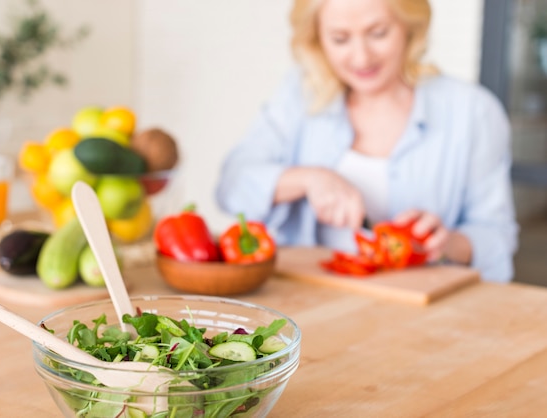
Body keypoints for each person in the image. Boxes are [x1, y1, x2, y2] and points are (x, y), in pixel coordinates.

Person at [215, 0, 518, 282]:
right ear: (317, 38)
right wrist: (308, 179)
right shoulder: (299, 94)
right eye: (340, 38)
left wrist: (450, 243)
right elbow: (232, 186)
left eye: (378, 33)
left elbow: (497, 235)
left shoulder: (474, 111)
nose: (361, 57)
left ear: (409, 27)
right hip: (309, 299)